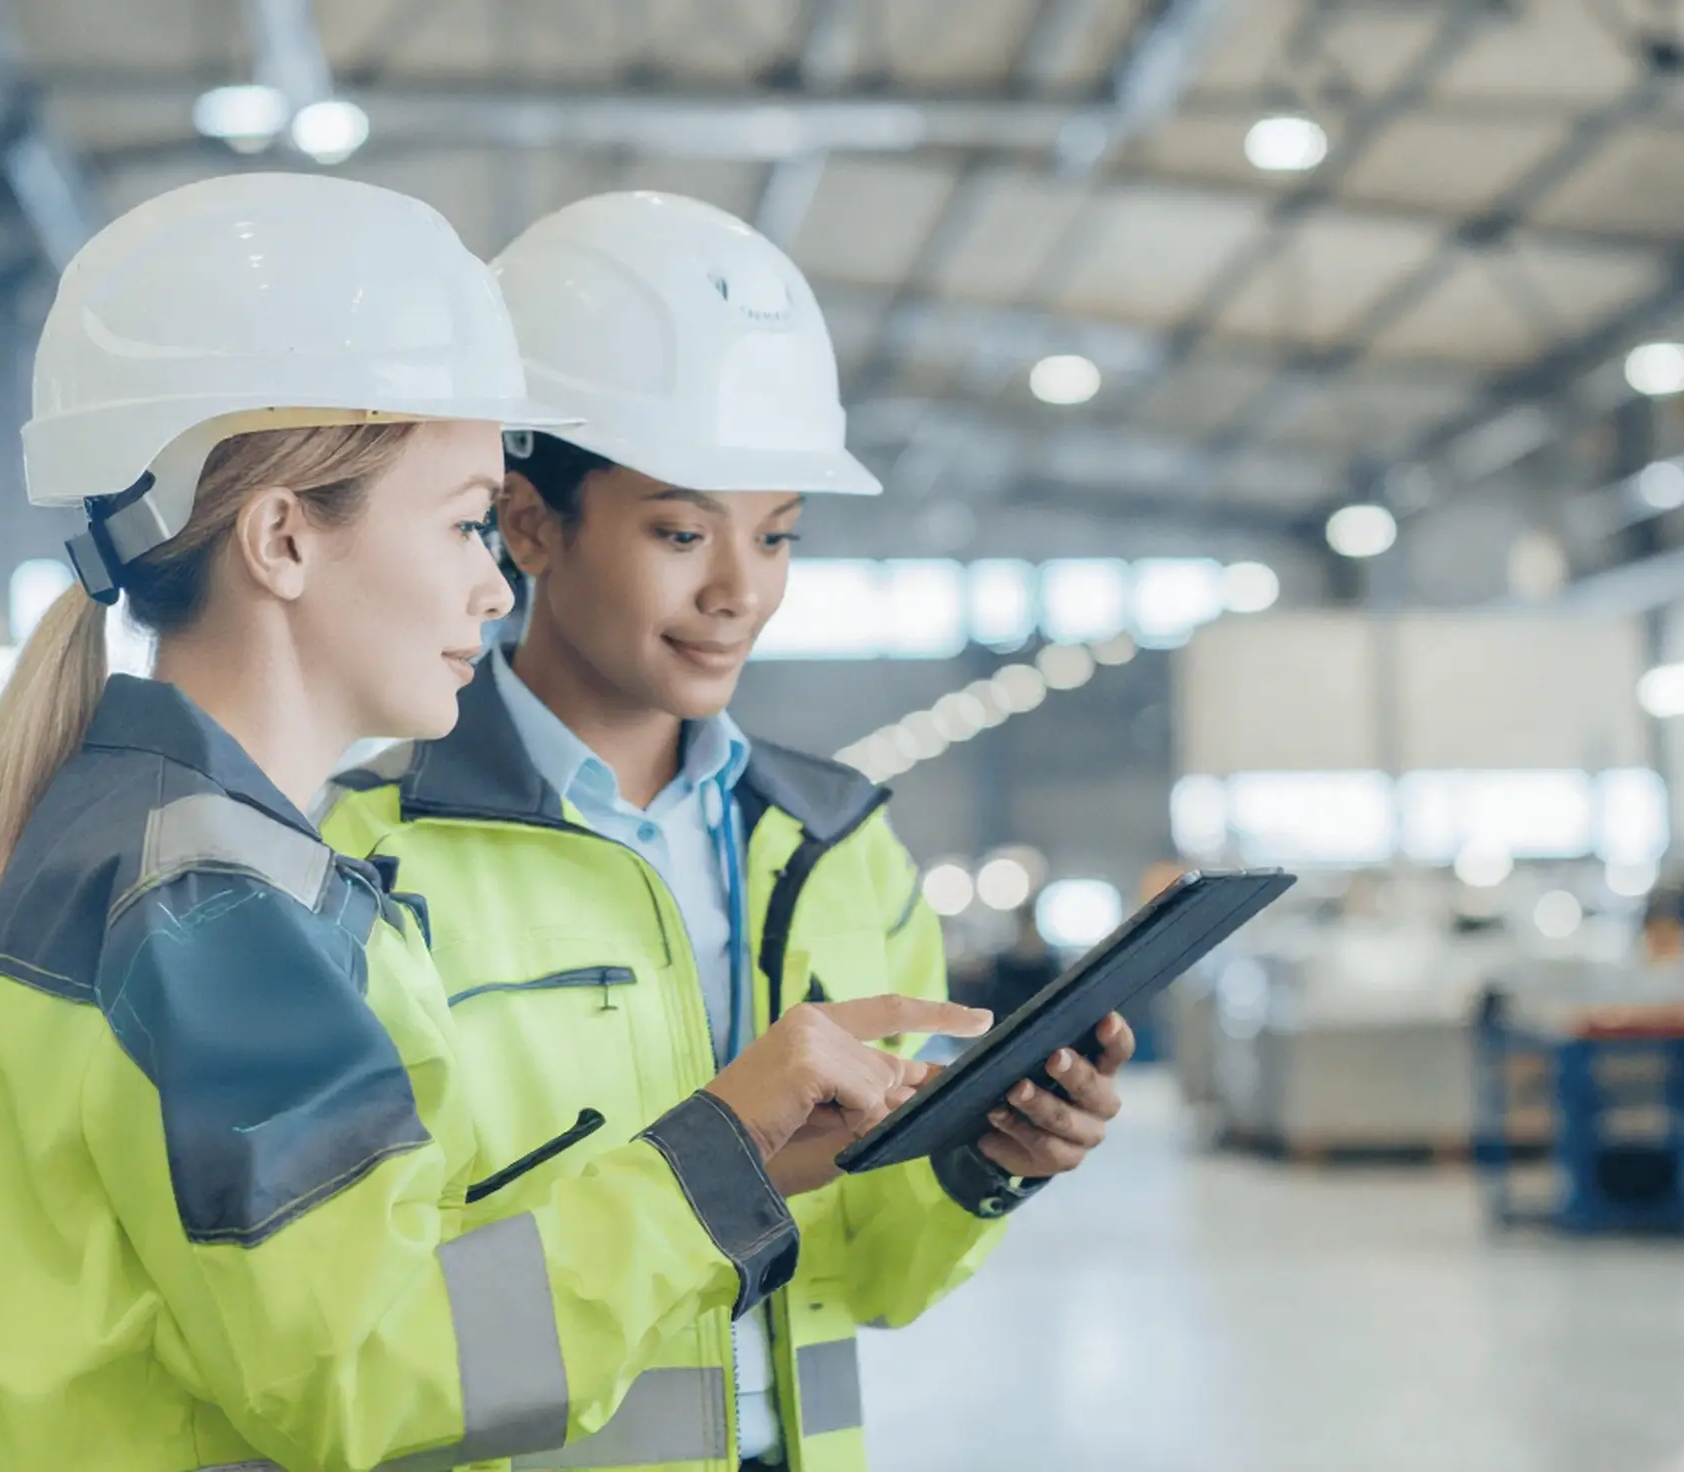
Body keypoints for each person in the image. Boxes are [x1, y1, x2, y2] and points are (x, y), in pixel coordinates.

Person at [0, 174, 986, 1472]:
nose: (496, 581)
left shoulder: (151, 851)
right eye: (472, 520)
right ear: (284, 540)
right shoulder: (216, 910)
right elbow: (372, 1369)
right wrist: (710, 1153)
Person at [319, 192, 1136, 1472]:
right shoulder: (369, 860)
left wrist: (989, 1160)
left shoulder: (838, 843)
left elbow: (871, 1268)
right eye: (681, 530)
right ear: (528, 524)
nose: (739, 591)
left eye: (777, 536)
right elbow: (357, 1310)